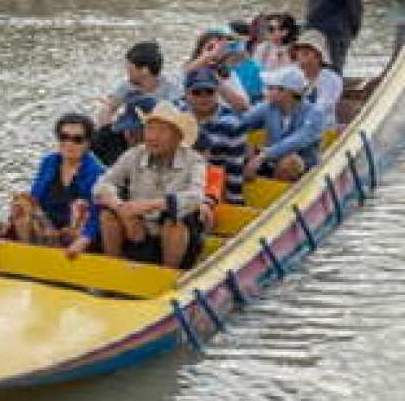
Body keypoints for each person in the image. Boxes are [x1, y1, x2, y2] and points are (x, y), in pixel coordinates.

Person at [70, 103, 209, 270]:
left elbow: (196, 196)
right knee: (108, 215)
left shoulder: (194, 160)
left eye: (161, 131)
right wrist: (121, 207)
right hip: (136, 229)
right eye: (149, 129)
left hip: (175, 234)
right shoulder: (135, 154)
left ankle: (168, 277)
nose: (152, 137)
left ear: (177, 137)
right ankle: (111, 271)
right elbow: (102, 185)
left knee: (175, 222)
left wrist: (148, 206)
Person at [0, 113, 105, 246]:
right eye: (63, 137)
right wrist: (14, 217)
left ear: (88, 143)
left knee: (81, 206)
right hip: (49, 226)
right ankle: (28, 250)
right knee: (21, 202)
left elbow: (96, 213)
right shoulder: (49, 162)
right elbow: (34, 197)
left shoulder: (96, 172)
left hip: (75, 231)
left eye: (77, 139)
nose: (69, 144)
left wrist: (84, 238)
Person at [233, 65, 329, 182]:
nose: (266, 91)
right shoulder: (268, 107)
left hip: (303, 166)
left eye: (271, 88)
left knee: (290, 163)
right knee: (242, 147)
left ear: (288, 91)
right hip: (270, 160)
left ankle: (280, 193)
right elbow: (241, 123)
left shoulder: (315, 113)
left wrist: (263, 156)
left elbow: (297, 140)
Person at [185, 68, 250, 206]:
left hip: (215, 183)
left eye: (209, 92)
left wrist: (233, 204)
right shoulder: (178, 115)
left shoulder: (233, 124)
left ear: (217, 93)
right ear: (186, 94)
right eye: (197, 92)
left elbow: (234, 170)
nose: (204, 97)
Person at [290, 29, 345, 118]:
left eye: (309, 49)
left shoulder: (331, 79)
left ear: (319, 55)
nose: (302, 51)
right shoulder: (290, 74)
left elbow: (321, 107)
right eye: (299, 48)